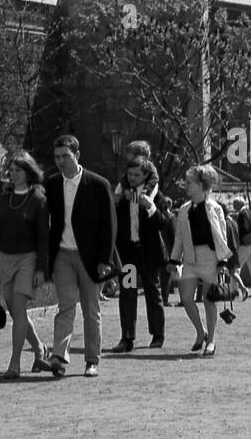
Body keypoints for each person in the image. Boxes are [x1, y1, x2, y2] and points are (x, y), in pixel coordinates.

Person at [45, 134, 117, 379]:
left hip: (91, 257)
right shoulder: (52, 184)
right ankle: (59, 357)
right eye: (57, 157)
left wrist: (105, 260)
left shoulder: (98, 184)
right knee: (65, 307)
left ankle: (91, 360)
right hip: (62, 255)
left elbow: (109, 226)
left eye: (65, 156)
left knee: (90, 310)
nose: (61, 161)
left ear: (77, 155)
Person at [0, 152, 49, 378]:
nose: (13, 174)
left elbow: (44, 237)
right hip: (5, 258)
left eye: (18, 170)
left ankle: (14, 363)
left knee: (20, 307)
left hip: (28, 258)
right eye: (11, 170)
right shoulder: (5, 197)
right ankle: (39, 348)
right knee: (16, 312)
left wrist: (41, 269)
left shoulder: (38, 199)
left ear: (29, 172)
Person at [167, 165, 233, 356]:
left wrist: (222, 263)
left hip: (211, 259)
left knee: (209, 299)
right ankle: (200, 331)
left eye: (190, 182)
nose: (185, 185)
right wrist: (174, 259)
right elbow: (179, 237)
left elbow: (222, 237)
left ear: (202, 185)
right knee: (186, 298)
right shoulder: (184, 209)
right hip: (190, 258)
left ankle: (211, 340)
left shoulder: (216, 208)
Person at [112, 157, 169, 353]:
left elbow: (164, 224)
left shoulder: (155, 196)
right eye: (130, 175)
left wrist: (150, 207)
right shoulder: (122, 195)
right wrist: (115, 202)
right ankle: (127, 337)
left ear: (146, 175)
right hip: (129, 254)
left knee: (153, 293)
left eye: (137, 175)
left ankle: (157, 334)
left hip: (149, 254)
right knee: (127, 293)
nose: (132, 178)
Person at [233, 197, 251, 297]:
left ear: (238, 204)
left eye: (234, 204)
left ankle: (234, 290)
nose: (233, 206)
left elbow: (243, 228)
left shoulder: (241, 214)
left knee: (236, 267)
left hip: (245, 244)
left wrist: (238, 240)